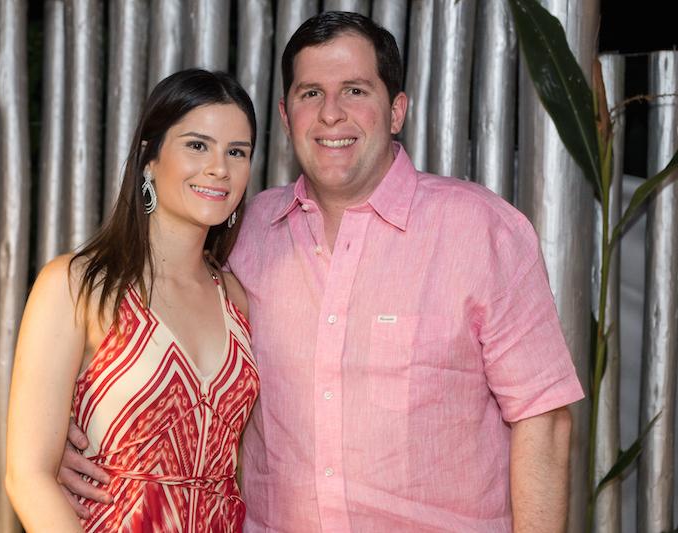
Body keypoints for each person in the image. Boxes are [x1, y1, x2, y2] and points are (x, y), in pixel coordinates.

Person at [60, 12, 584, 532]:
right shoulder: (243, 233)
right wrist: (74, 432)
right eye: (311, 93)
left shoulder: (481, 231)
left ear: (396, 111)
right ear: (287, 117)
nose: (331, 114)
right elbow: (167, 355)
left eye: (355, 90)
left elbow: (544, 420)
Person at [5, 69, 260, 532]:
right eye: (197, 145)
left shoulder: (237, 299)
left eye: (236, 152)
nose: (219, 168)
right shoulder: (77, 286)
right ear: (149, 159)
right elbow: (28, 476)